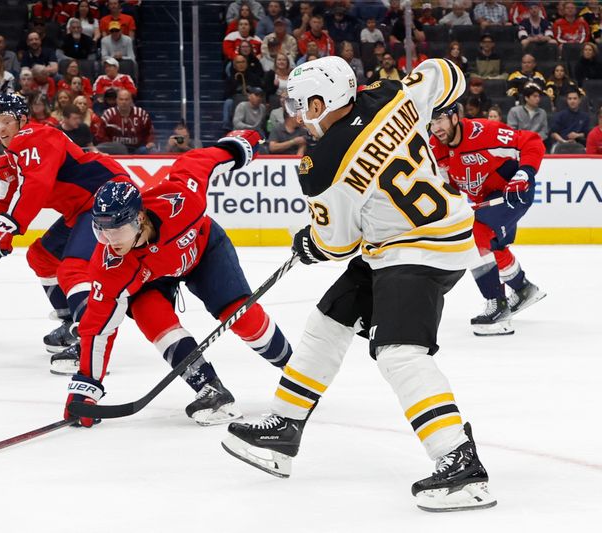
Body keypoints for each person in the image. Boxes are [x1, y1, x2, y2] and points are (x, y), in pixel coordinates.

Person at [221, 56, 496, 513]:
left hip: (417, 251)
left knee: (401, 354)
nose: (295, 114)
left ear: (321, 101)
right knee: (329, 319)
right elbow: (448, 73)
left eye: (300, 104)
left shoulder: (323, 161)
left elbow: (335, 244)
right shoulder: (389, 93)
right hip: (421, 237)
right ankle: (283, 432)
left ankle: (460, 463)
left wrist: (309, 243)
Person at [61, 131, 292, 427]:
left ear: (139, 219)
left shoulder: (182, 200)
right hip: (152, 278)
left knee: (241, 316)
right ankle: (210, 388)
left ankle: (297, 369)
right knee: (148, 313)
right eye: (100, 230)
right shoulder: (110, 265)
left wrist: (238, 146)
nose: (107, 239)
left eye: (115, 230)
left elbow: (199, 161)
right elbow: (97, 328)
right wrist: (85, 389)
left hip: (203, 251)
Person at [0, 93, 130, 356]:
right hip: (81, 209)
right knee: (41, 257)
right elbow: (5, 202)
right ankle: (72, 324)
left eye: (6, 121)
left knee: (73, 268)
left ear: (22, 120)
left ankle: (90, 340)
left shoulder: (35, 136)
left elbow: (37, 185)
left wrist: (8, 227)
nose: (0, 129)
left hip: (107, 197)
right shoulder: (9, 160)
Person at [430, 103, 546, 335]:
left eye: (440, 120)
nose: (436, 128)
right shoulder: (434, 149)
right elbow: (443, 185)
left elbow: (531, 142)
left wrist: (524, 173)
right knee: (492, 245)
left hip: (513, 191)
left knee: (476, 235)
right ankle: (523, 289)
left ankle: (498, 305)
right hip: (486, 197)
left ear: (455, 117)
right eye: (431, 123)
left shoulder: (485, 132)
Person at [100, 89, 155, 153]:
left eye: (126, 99)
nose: (124, 102)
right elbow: (101, 134)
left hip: (138, 149)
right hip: (115, 150)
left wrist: (150, 142)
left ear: (131, 101)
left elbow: (150, 131)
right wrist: (109, 145)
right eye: (121, 99)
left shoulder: (141, 114)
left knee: (148, 150)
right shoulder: (108, 114)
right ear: (117, 100)